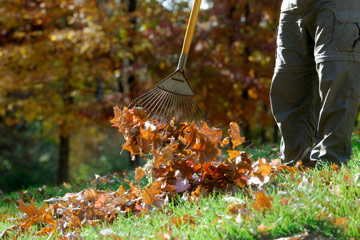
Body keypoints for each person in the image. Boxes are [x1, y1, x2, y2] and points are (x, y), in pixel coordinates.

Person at [270, 0, 360, 166]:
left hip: (339, 5)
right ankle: (293, 168)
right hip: (293, 5)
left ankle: (330, 167)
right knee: (288, 85)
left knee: (336, 83)